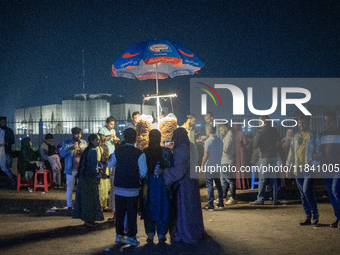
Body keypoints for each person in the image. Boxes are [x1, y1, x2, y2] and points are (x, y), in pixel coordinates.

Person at [163, 127, 205, 243]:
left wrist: (165, 172)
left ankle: (185, 232)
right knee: (192, 208)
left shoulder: (181, 150)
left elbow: (179, 171)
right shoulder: (191, 146)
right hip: (192, 182)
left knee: (184, 210)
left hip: (185, 184)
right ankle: (194, 231)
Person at [108, 128, 147, 246]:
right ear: (135, 138)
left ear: (124, 138)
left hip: (119, 188)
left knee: (119, 213)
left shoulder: (117, 151)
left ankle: (119, 235)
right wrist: (136, 177)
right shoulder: (140, 154)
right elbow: (143, 172)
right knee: (131, 214)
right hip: (133, 190)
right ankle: (131, 237)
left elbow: (110, 164)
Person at [286, 115, 320, 225]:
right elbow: (291, 153)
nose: (301, 125)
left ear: (308, 123)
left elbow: (319, 152)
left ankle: (315, 214)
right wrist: (288, 167)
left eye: (303, 123)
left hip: (308, 167)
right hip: (298, 168)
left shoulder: (314, 135)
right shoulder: (296, 136)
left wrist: (314, 165)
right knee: (302, 193)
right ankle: (308, 216)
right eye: (300, 123)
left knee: (306, 191)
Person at [142, 129, 173, 244]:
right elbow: (171, 167)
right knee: (162, 209)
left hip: (148, 185)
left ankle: (150, 236)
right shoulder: (166, 152)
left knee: (149, 208)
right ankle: (161, 235)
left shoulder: (145, 152)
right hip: (162, 186)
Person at [72, 134, 107, 227]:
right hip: (89, 179)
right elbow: (93, 168)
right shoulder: (93, 151)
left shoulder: (87, 150)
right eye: (97, 140)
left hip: (84, 178)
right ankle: (89, 221)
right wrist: (100, 175)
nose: (98, 142)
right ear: (92, 141)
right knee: (90, 201)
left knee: (86, 201)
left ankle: (88, 220)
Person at [250, 116, 281, 205]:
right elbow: (279, 141)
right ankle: (275, 199)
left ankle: (260, 199)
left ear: (263, 122)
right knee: (273, 179)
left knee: (262, 179)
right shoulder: (274, 131)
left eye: (260, 121)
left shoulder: (260, 132)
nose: (259, 123)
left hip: (264, 156)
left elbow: (255, 145)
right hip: (273, 156)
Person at [319, 111, 340, 229]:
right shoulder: (322, 135)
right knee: (332, 194)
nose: (327, 123)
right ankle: (338, 217)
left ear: (335, 121)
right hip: (326, 167)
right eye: (325, 121)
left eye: (329, 121)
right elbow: (320, 150)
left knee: (335, 190)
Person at [59, 127, 87, 212]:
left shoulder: (83, 143)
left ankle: (79, 205)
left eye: (79, 134)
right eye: (76, 134)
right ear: (72, 134)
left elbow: (86, 154)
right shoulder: (67, 143)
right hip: (70, 169)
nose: (78, 136)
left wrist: (83, 151)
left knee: (80, 188)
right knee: (70, 188)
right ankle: (69, 206)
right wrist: (70, 148)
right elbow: (62, 154)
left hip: (81, 169)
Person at [201, 125, 224, 211]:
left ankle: (210, 204)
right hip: (218, 165)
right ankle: (221, 203)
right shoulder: (220, 141)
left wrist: (202, 166)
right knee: (218, 184)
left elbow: (206, 155)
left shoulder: (208, 141)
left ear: (209, 131)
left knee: (209, 184)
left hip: (209, 165)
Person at [219, 124, 236, 205]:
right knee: (225, 181)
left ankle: (232, 197)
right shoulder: (228, 136)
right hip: (225, 160)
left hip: (227, 161)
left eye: (221, 130)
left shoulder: (229, 136)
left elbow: (225, 149)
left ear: (225, 128)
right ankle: (223, 197)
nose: (221, 132)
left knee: (230, 180)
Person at [0, 116, 16, 187]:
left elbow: (12, 141)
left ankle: (12, 178)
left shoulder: (9, 131)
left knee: (4, 167)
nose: (4, 123)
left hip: (4, 150)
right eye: (2, 122)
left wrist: (6, 143)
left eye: (5, 122)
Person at [96, 133, 111, 211]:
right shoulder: (105, 146)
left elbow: (98, 160)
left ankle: (100, 205)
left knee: (100, 188)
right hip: (106, 168)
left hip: (101, 168)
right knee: (105, 188)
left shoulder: (98, 148)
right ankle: (104, 205)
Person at [233, 123, 250, 189]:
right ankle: (243, 184)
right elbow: (245, 142)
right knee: (242, 166)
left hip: (235, 151)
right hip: (241, 151)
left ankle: (237, 184)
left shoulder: (233, 133)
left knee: (236, 167)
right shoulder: (241, 133)